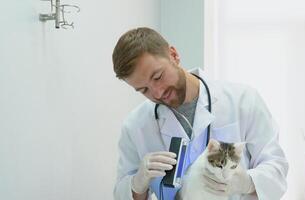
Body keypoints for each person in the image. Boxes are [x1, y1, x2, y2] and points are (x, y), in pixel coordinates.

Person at [112, 27, 288, 200]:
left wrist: (248, 183)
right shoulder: (135, 126)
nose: (157, 93)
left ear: (173, 55)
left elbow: (276, 167)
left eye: (158, 77)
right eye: (144, 90)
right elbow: (121, 192)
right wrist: (136, 183)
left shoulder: (242, 100)